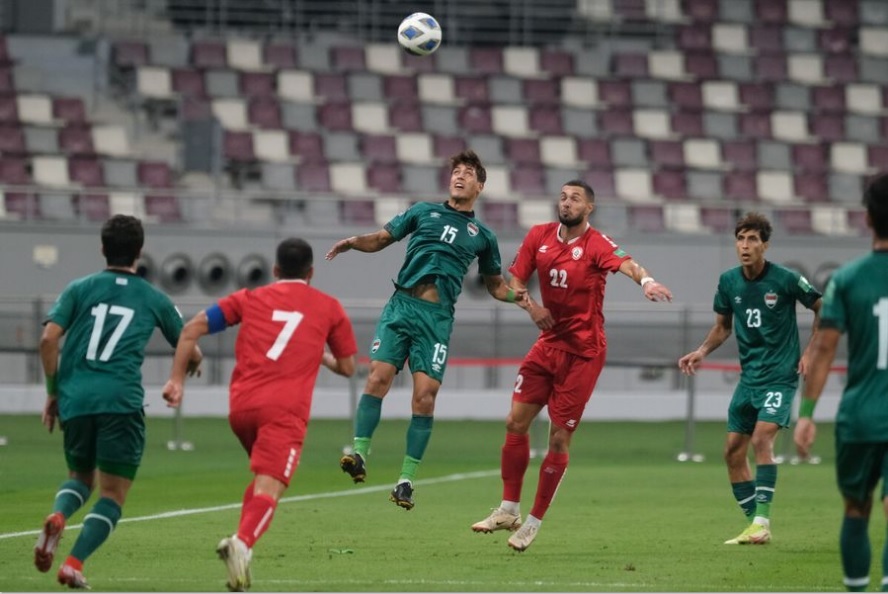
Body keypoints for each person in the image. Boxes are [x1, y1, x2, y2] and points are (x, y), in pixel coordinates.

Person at [469, 179, 674, 552]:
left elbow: (626, 263)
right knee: (515, 422)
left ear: (589, 208)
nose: (566, 202)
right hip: (547, 346)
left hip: (583, 354)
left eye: (575, 198)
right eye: (562, 196)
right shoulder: (540, 236)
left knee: (559, 438)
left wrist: (646, 280)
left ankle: (532, 522)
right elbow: (516, 279)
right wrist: (532, 307)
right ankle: (508, 509)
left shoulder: (597, 244)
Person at [325, 149, 526, 511]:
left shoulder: (483, 236)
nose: (459, 176)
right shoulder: (422, 211)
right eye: (455, 172)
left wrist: (517, 297)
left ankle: (406, 481)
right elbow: (383, 237)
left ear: (480, 185)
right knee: (376, 378)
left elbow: (495, 284)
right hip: (401, 306)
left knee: (425, 397)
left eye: (467, 173)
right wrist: (353, 242)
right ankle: (359, 453)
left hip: (436, 319)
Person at [162, 237, 357, 592]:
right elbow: (348, 366)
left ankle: (243, 555)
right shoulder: (329, 307)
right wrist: (321, 355)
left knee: (263, 479)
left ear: (275, 270)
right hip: (284, 410)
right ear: (311, 272)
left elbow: (191, 329)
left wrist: (177, 381)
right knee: (272, 485)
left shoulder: (249, 298)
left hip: (240, 408)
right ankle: (242, 543)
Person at [34, 215, 202, 589]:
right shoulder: (154, 297)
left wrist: (53, 390)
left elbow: (48, 340)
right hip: (121, 401)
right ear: (139, 253)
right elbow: (190, 345)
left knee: (79, 477)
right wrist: (192, 365)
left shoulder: (79, 288)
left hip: (76, 397)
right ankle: (73, 563)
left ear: (102, 248)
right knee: (112, 494)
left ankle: (59, 516)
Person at [678, 212, 822, 545]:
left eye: (753, 239)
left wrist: (811, 353)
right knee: (731, 452)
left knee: (761, 440)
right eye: (740, 238)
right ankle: (755, 525)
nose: (745, 245)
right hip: (749, 379)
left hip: (780, 377)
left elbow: (822, 307)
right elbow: (722, 327)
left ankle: (761, 520)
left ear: (765, 245)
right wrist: (701, 351)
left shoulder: (785, 279)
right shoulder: (729, 282)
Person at [793, 173, 888, 592]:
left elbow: (824, 351)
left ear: (867, 219)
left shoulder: (846, 280)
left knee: (856, 508)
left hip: (860, 417)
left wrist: (807, 415)